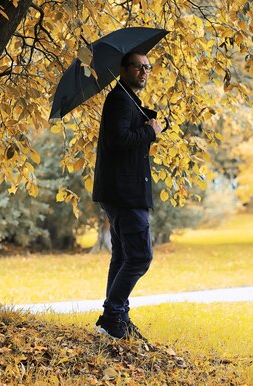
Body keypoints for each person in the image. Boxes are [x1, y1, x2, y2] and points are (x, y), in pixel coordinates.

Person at [91, 51, 163, 340]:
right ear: (123, 69)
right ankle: (112, 315)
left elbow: (128, 132)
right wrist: (149, 133)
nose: (144, 72)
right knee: (139, 257)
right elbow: (120, 140)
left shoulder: (127, 100)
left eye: (148, 67)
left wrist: (150, 124)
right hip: (125, 192)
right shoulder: (120, 99)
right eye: (138, 67)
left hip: (120, 190)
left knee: (122, 256)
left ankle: (118, 316)